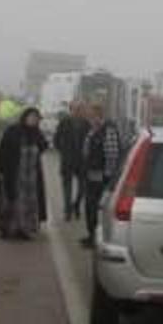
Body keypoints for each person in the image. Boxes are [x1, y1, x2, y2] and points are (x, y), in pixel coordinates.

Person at [0, 107, 49, 240]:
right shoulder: (12, 130)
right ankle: (11, 229)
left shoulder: (36, 133)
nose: (34, 120)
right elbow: (2, 151)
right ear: (25, 117)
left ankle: (25, 229)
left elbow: (44, 146)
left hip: (32, 176)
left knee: (30, 203)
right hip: (15, 174)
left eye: (36, 118)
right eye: (31, 117)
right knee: (14, 201)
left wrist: (40, 139)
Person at [80, 103, 123, 249]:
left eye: (91, 116)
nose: (90, 120)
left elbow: (112, 154)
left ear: (98, 115)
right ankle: (91, 235)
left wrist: (108, 177)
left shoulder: (108, 130)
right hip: (92, 173)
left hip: (101, 176)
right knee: (89, 206)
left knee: (97, 206)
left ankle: (98, 237)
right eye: (89, 117)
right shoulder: (94, 129)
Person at [53, 101, 87, 221]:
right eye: (76, 109)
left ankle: (76, 204)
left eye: (80, 108)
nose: (78, 111)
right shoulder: (64, 122)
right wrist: (63, 151)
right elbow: (56, 139)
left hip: (82, 161)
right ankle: (67, 210)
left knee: (83, 188)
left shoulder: (86, 123)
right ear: (71, 110)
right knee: (67, 187)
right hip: (67, 160)